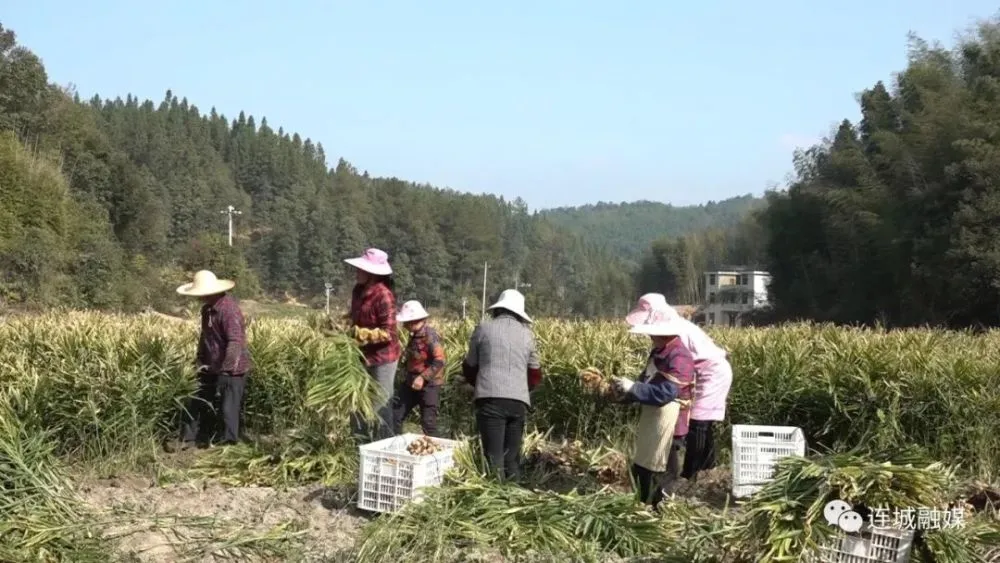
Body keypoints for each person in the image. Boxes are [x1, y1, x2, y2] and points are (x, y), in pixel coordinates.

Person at [626, 293, 732, 482]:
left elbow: (674, 376)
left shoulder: (675, 334)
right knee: (700, 424)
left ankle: (692, 474)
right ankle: (707, 469)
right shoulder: (665, 337)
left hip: (711, 371)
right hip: (697, 372)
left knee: (699, 421)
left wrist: (638, 388)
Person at [612, 311, 695, 509]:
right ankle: (643, 507)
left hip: (671, 423)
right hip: (653, 419)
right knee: (643, 468)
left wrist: (633, 387)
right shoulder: (658, 352)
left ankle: (660, 514)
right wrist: (620, 393)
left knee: (663, 472)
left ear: (664, 334)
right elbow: (646, 381)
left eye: (652, 334)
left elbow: (667, 392)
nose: (650, 337)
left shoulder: (680, 356)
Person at [461, 289, 542, 482]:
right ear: (518, 313)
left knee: (494, 457)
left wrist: (475, 382)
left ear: (498, 309)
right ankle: (514, 502)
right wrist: (520, 389)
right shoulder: (527, 335)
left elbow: (470, 366)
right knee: (511, 458)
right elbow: (535, 374)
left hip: (490, 399)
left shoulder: (483, 329)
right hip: (518, 403)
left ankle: (495, 500)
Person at [171, 270, 252, 451]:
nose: (200, 298)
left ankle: (229, 446)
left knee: (228, 409)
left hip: (232, 368)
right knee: (195, 399)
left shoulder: (229, 310)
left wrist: (226, 369)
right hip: (210, 365)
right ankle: (189, 439)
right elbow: (206, 336)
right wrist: (199, 360)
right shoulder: (207, 310)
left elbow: (235, 341)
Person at [344, 248, 402, 442]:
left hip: (383, 358)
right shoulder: (358, 291)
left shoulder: (384, 296)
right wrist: (341, 324)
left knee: (380, 405)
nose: (357, 272)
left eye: (360, 269)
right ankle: (358, 444)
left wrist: (364, 334)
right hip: (361, 355)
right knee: (357, 401)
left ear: (371, 274)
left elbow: (389, 332)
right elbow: (354, 316)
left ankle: (384, 445)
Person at [392, 300, 446, 437]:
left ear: (414, 321)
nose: (404, 326)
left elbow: (440, 360)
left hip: (430, 385)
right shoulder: (414, 336)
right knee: (395, 415)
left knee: (428, 423)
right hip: (411, 381)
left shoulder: (430, 336)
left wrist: (422, 377)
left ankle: (433, 454)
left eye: (406, 322)